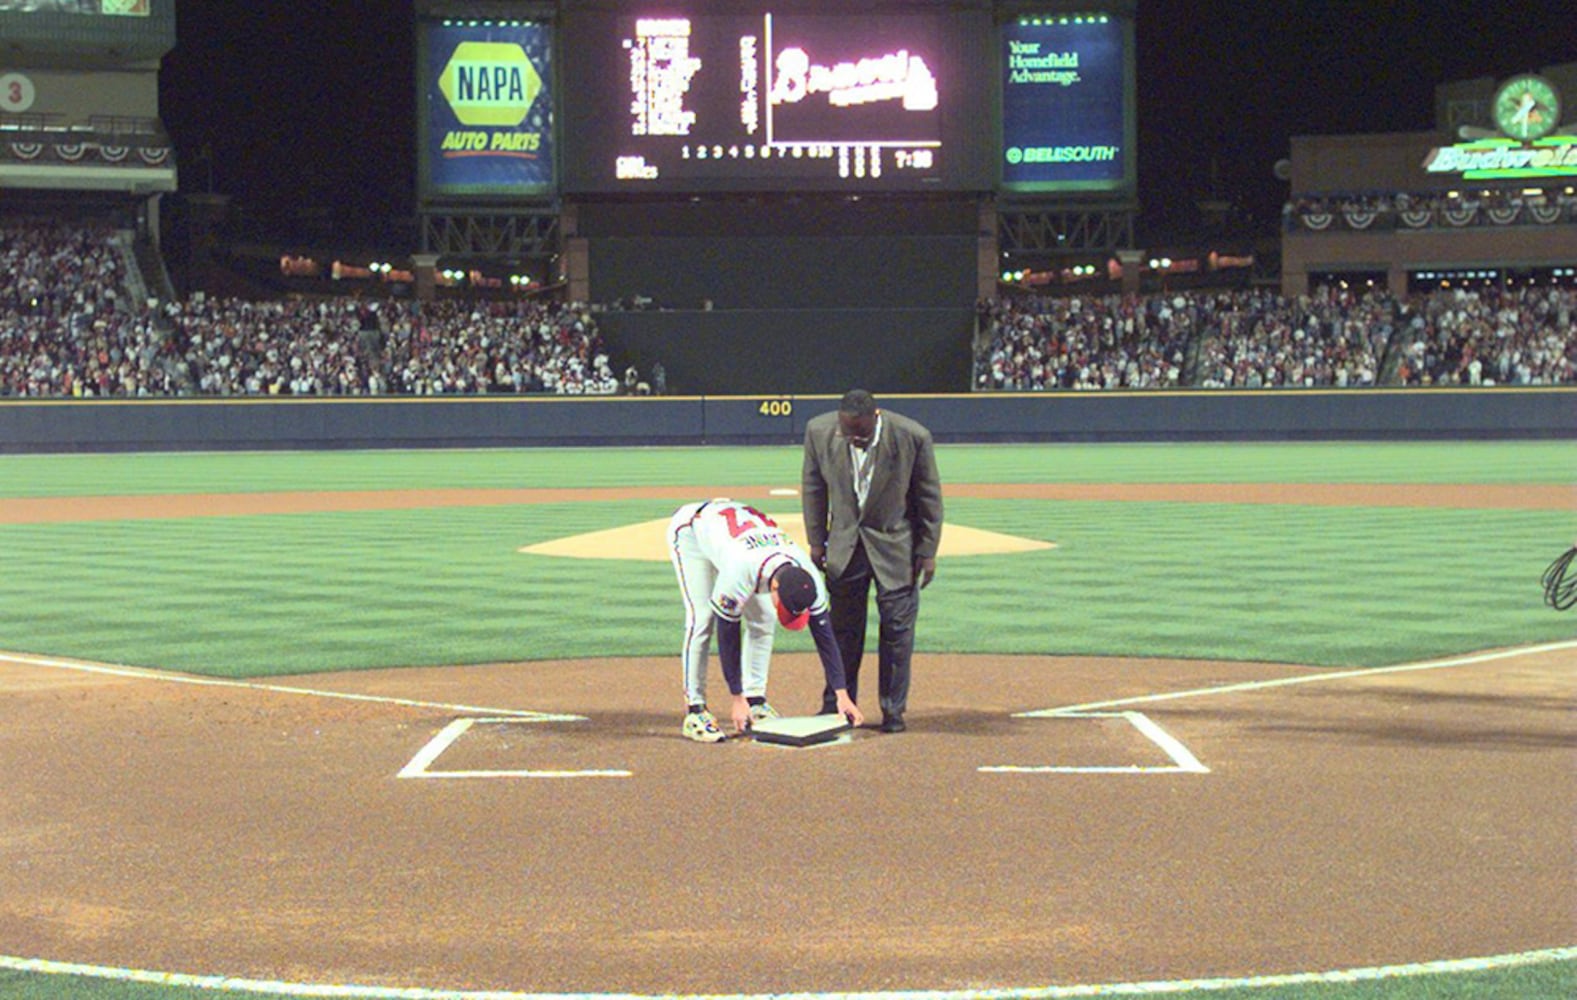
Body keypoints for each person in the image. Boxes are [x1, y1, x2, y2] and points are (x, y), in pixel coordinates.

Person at [801, 389, 942, 733]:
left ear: (875, 417)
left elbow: (928, 495)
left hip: (896, 547)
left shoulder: (912, 436)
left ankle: (893, 710)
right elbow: (813, 487)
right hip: (845, 547)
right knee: (843, 631)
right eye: (847, 432)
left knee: (897, 630)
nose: (853, 439)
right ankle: (838, 703)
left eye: (860, 433)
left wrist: (927, 551)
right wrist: (816, 541)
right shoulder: (819, 432)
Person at [666, 498, 864, 743]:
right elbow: (728, 635)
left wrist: (842, 695)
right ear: (775, 585)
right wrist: (736, 699)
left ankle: (756, 702)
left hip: (742, 542)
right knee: (702, 619)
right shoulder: (740, 571)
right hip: (692, 531)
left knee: (763, 619)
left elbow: (826, 639)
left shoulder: (808, 577)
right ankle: (695, 711)